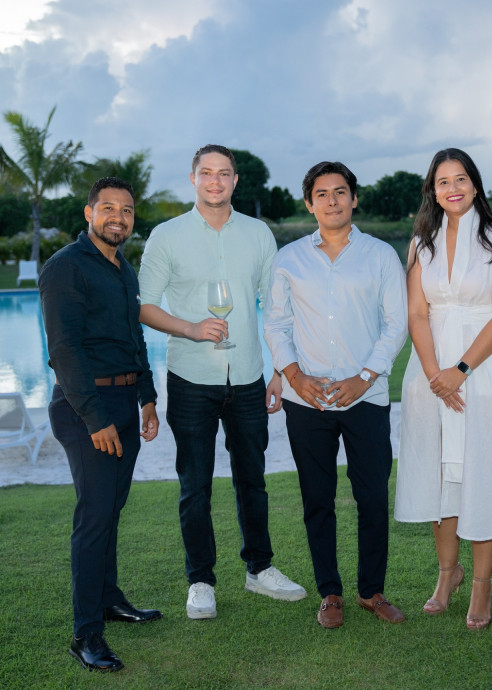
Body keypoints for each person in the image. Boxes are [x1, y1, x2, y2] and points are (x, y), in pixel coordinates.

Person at [138, 145, 305, 620]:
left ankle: (259, 569)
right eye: (206, 173)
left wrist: (279, 370)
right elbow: (145, 305)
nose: (215, 181)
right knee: (195, 485)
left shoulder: (257, 234)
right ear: (193, 179)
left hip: (250, 376)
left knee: (253, 479)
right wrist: (192, 328)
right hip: (191, 377)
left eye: (224, 174)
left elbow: (277, 309)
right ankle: (200, 580)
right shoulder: (166, 236)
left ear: (235, 181)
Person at [264, 161, 408, 629]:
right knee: (317, 498)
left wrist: (364, 377)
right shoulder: (289, 259)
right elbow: (277, 324)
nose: (332, 201)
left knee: (371, 496)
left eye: (340, 192)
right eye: (322, 194)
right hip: (307, 400)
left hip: (365, 396)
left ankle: (371, 591)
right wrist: (293, 376)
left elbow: (396, 325)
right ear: (310, 204)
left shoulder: (381, 255)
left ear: (354, 198)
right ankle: (330, 592)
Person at [395, 148, 492, 630]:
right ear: (432, 190)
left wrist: (460, 370)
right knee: (440, 478)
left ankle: (481, 586)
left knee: (482, 476)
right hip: (429, 376)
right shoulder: (420, 243)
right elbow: (416, 313)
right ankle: (447, 575)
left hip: (485, 372)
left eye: (460, 179)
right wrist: (435, 374)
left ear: (475, 184)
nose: (452, 188)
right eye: (442, 182)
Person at [40, 177, 162, 672]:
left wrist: (147, 396)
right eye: (108, 208)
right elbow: (64, 352)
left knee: (111, 509)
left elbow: (133, 334)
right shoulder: (65, 267)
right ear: (89, 212)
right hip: (83, 406)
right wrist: (95, 418)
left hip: (123, 399)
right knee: (94, 518)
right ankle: (86, 632)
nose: (119, 217)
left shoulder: (123, 268)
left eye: (127, 210)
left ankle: (109, 600)